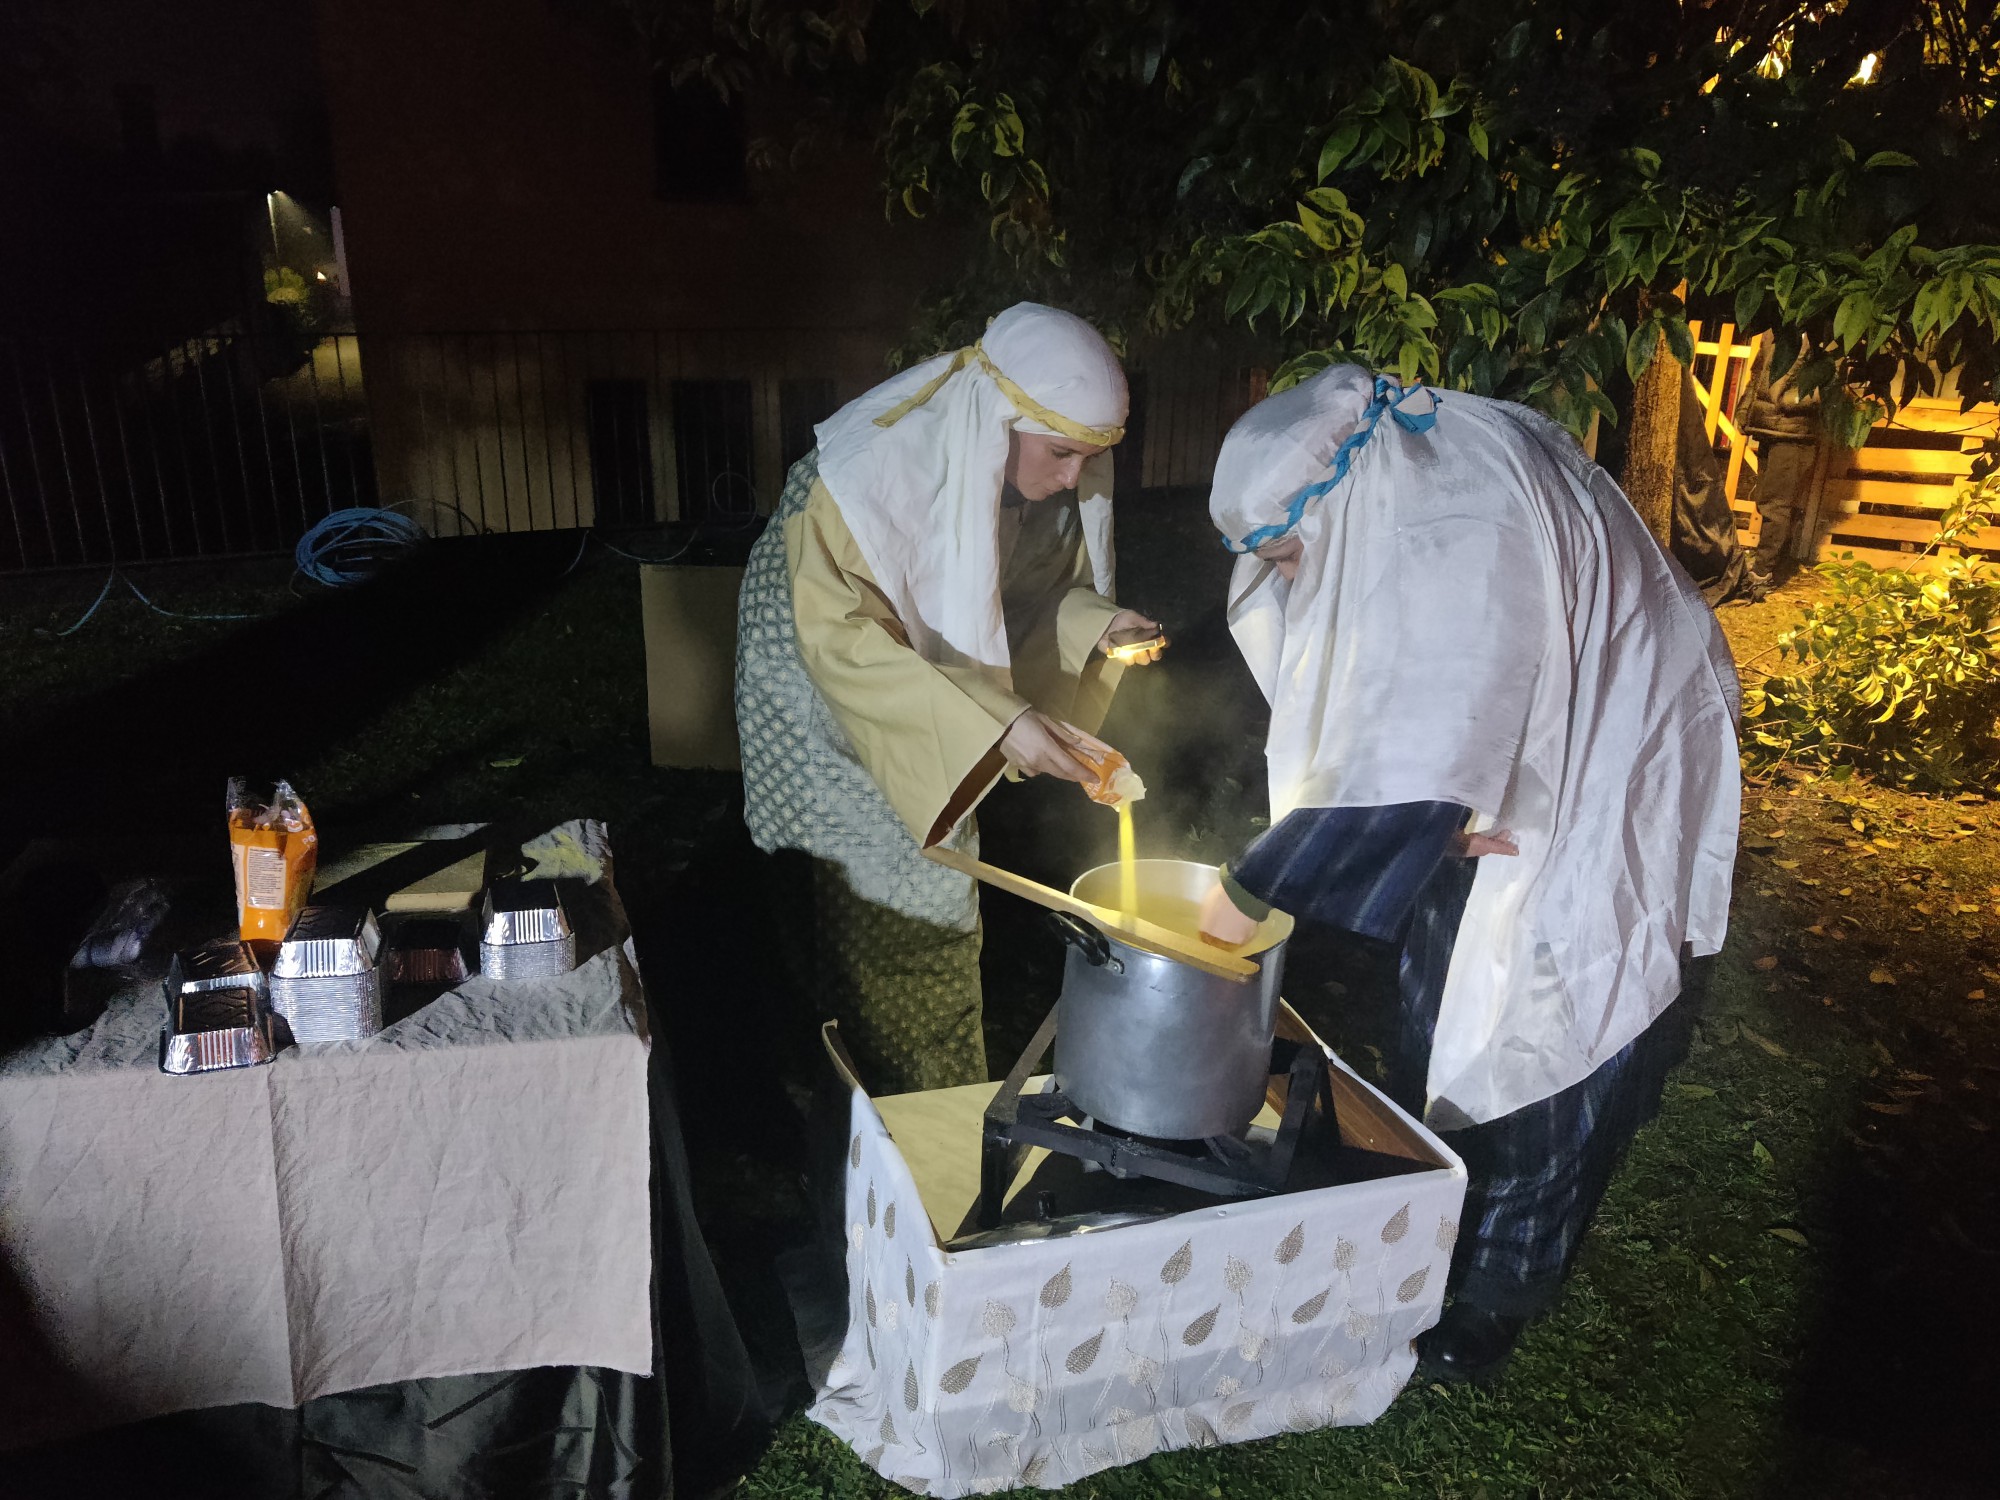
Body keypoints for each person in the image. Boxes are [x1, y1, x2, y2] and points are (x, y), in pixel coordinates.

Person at [1196, 365, 1740, 1382]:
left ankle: (1497, 1292)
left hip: (1601, 768)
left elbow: (1421, 735)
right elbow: (1401, 713)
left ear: (1333, 504)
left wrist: (1236, 906)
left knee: (1550, 1039)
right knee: (1446, 1006)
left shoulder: (1457, 521)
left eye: (1288, 553)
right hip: (1508, 776)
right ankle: (1434, 1221)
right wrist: (1439, 820)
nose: (1284, 578)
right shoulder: (1393, 485)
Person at [736, 303, 1162, 1095]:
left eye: (1090, 458)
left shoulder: (1023, 474)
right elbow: (845, 644)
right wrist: (996, 719)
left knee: (892, 908)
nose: (1074, 478)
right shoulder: (863, 478)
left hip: (928, 696)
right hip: (827, 708)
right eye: (1062, 452)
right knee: (896, 903)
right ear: (1001, 418)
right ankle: (909, 1121)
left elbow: (1017, 599)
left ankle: (874, 1111)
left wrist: (1095, 626)